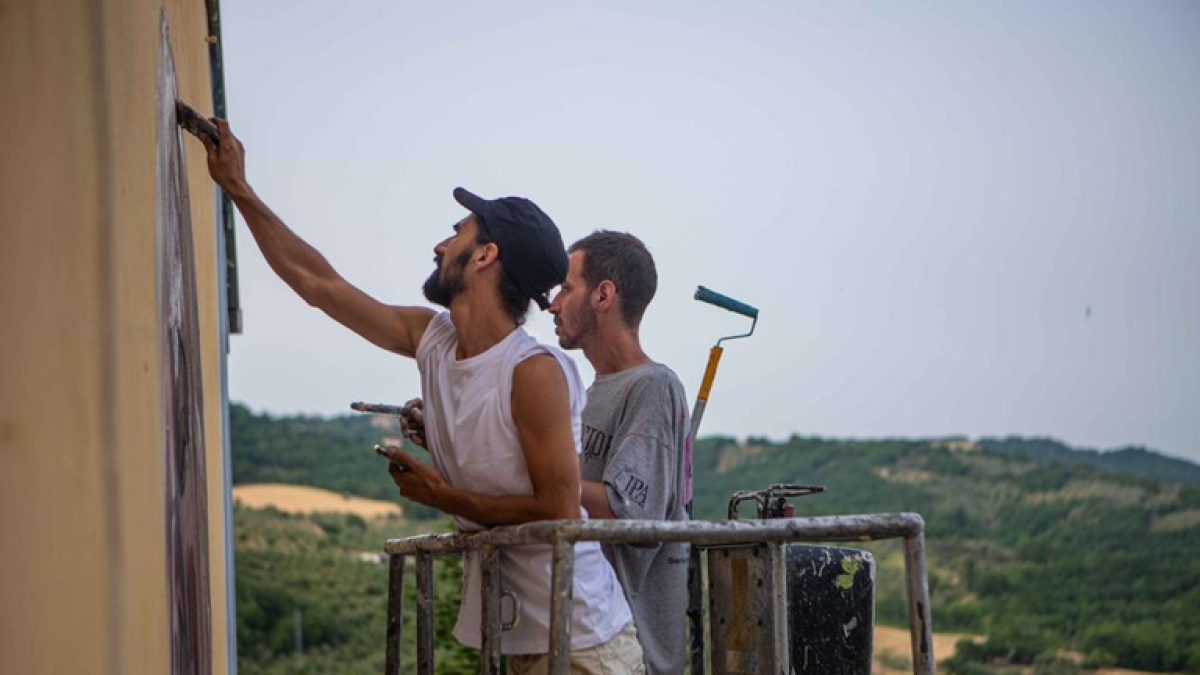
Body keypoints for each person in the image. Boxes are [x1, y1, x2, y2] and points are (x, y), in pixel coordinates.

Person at [200, 120, 642, 672]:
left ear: (484, 256)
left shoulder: (534, 371)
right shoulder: (433, 339)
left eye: (456, 233)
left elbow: (558, 509)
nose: (439, 245)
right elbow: (321, 286)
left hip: (582, 643)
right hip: (521, 639)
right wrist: (239, 190)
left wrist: (443, 496)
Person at [546, 231, 691, 675]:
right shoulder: (593, 394)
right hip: (591, 641)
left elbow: (628, 510)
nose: (553, 304)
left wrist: (538, 476)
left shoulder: (652, 386)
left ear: (603, 294)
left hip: (629, 654)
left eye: (566, 288)